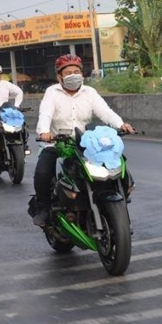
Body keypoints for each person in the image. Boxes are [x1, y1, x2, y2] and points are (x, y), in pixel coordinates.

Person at [31, 54, 134, 227]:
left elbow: (105, 112)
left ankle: (119, 201)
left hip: (86, 144)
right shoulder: (52, 92)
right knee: (42, 171)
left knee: (117, 164)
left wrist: (121, 124)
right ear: (59, 77)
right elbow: (46, 114)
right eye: (68, 72)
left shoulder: (90, 92)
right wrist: (44, 132)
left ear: (82, 74)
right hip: (58, 143)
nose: (73, 75)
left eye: (76, 71)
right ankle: (43, 208)